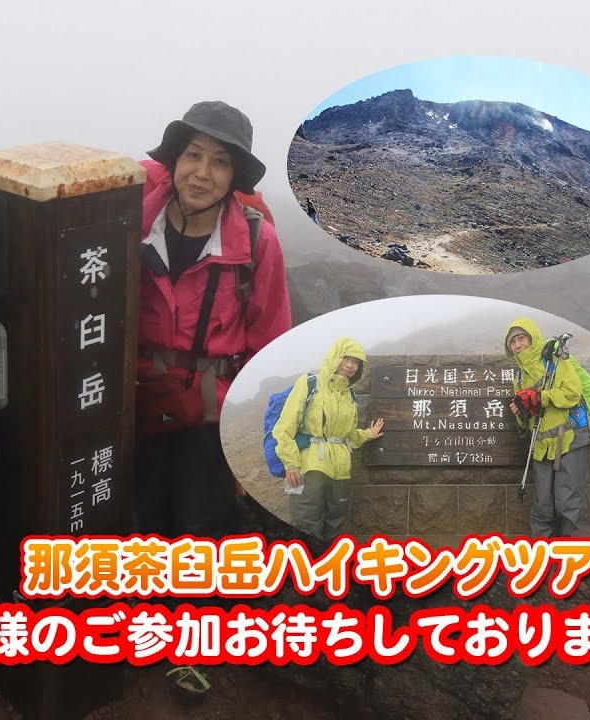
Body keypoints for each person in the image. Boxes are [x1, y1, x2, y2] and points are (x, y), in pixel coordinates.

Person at [133, 100, 290, 696]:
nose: (202, 172)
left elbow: (271, 347)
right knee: (145, 515)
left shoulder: (257, 241)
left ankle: (192, 650)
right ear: (173, 159)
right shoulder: (136, 219)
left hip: (213, 404)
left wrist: (258, 445)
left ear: (236, 176)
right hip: (137, 394)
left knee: (200, 523)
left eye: (220, 161)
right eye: (192, 154)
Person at [271, 337, 384, 542]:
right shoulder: (309, 383)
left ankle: (327, 569)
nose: (350, 366)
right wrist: (291, 463)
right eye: (346, 358)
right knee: (306, 523)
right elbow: (284, 428)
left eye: (356, 362)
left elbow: (346, 435)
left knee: (335, 523)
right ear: (335, 357)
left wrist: (368, 434)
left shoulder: (350, 396)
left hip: (341, 470)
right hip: (309, 466)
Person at [505, 318, 590, 537]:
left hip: (570, 439)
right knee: (542, 509)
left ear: (532, 338)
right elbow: (527, 421)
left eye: (521, 338)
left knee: (569, 505)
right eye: (512, 341)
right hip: (542, 444)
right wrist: (521, 412)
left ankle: (573, 564)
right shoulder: (519, 377)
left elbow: (572, 393)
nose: (517, 344)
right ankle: (542, 562)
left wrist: (541, 397)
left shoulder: (555, 360)